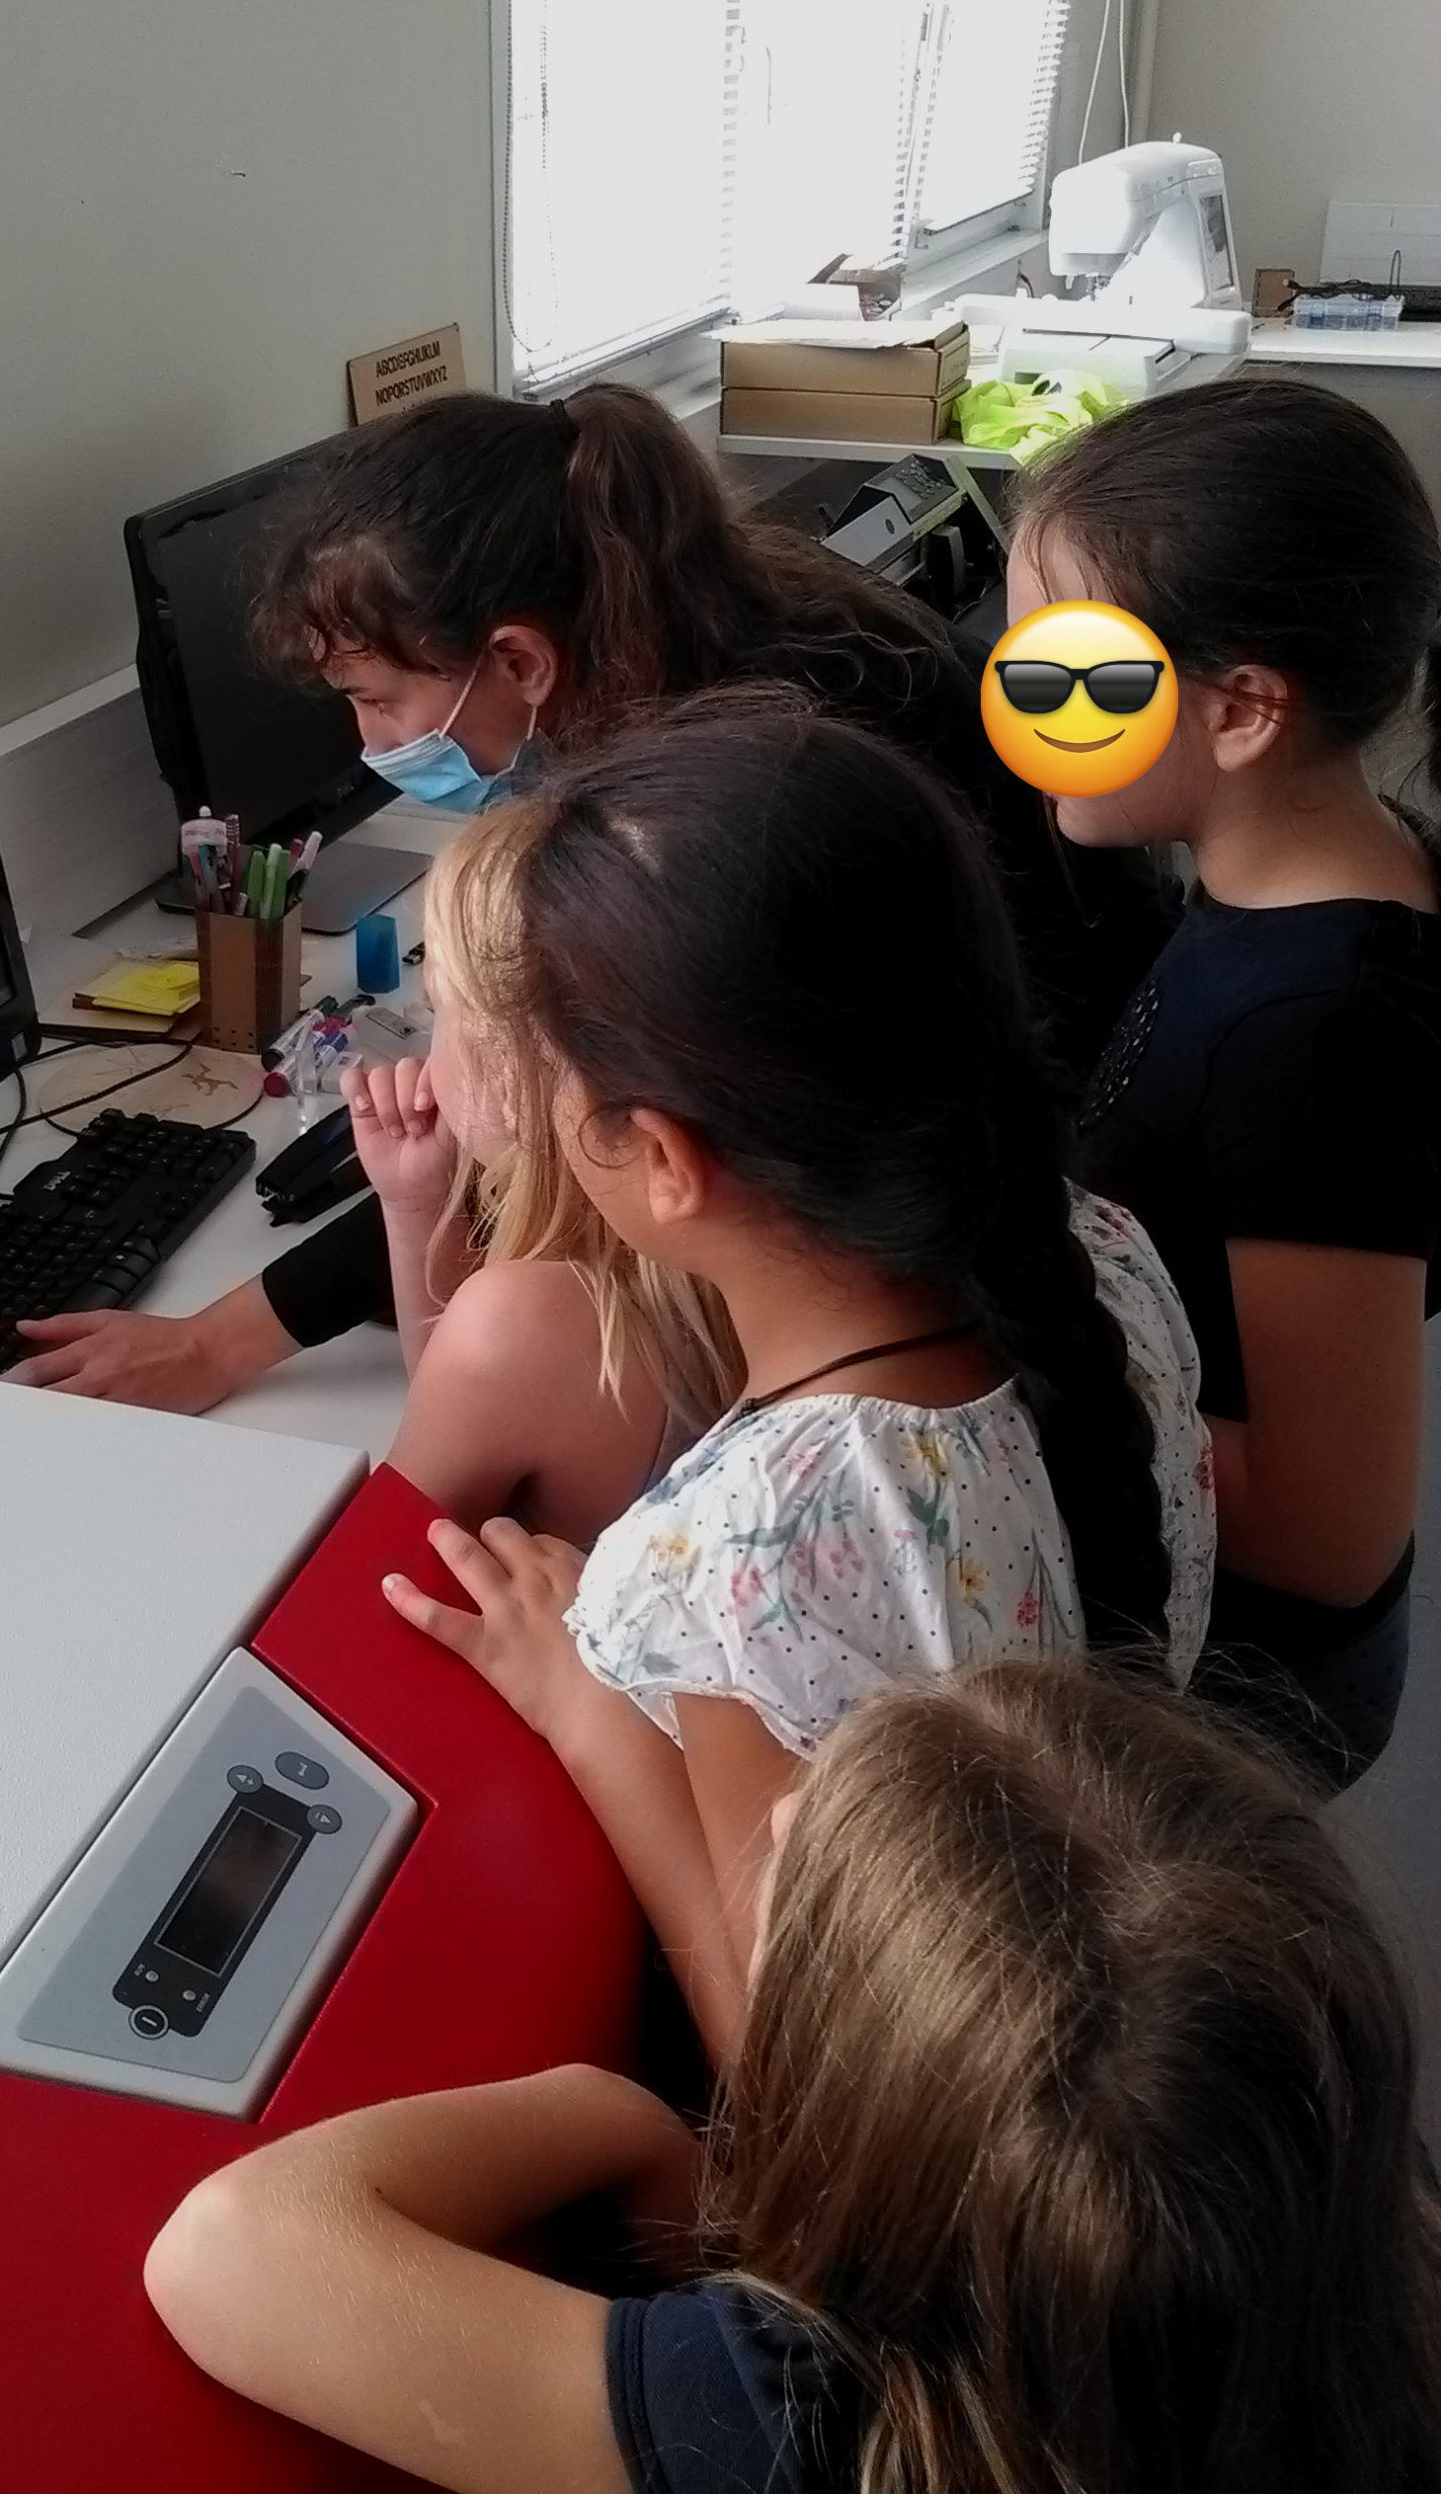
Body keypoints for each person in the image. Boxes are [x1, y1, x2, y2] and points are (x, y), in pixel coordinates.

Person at [6, 383, 1169, 1411]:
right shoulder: (740, 623)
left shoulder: (724, 806)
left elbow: (546, 1143)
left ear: (520, 661)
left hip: (1017, 1210)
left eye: (378, 700)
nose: (369, 742)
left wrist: (224, 1337)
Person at [381, 687, 1212, 2055]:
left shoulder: (736, 1556)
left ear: (662, 1158)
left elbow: (787, 2063)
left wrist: (594, 1720)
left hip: (939, 2144)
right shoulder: (1106, 1253)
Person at [146, 1659, 1441, 2494]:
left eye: (788, 1864)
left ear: (845, 2108)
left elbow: (228, 2251)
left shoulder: (794, 2416)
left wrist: (614, 2111)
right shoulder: (1354, 2213)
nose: (774, 1812)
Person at [1010, 374, 1441, 1787]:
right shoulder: (1294, 872)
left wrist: (994, 1378)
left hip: (1244, 1694)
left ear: (1245, 708)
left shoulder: (1314, 1032)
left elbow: (1329, 1534)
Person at [338, 831, 735, 1546]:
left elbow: (387, 1567)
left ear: (516, 1073)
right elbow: (463, 1414)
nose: (423, 1058)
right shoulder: (755, 1257)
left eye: (437, 1014)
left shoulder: (519, 1325)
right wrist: (415, 1204)